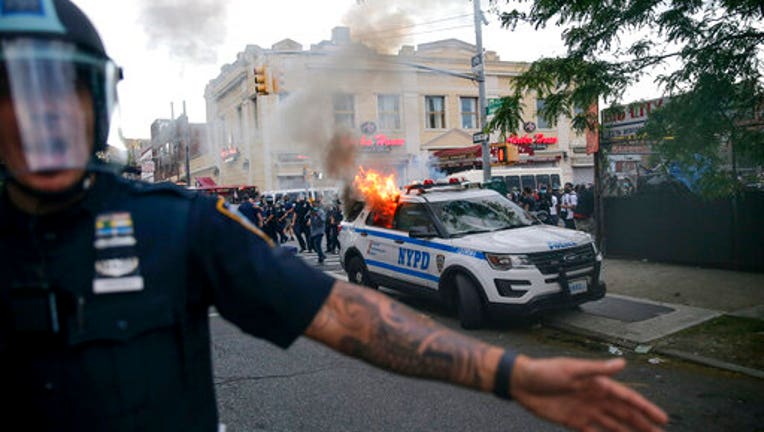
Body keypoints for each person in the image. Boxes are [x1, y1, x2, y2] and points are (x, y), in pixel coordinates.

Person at [0, 2, 668, 431]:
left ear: (96, 99)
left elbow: (344, 311)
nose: (39, 112)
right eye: (12, 91)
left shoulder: (177, 225)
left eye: (62, 85)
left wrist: (510, 373)